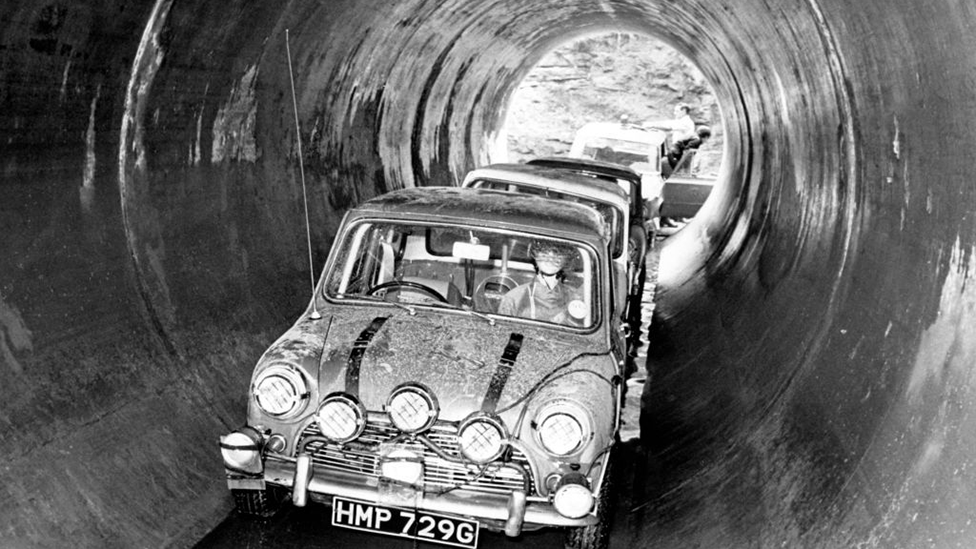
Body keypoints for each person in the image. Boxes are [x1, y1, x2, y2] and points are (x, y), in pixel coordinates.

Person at [497, 242, 584, 325]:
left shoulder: (575, 298)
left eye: (558, 254)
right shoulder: (514, 298)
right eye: (544, 253)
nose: (550, 259)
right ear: (535, 256)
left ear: (566, 260)